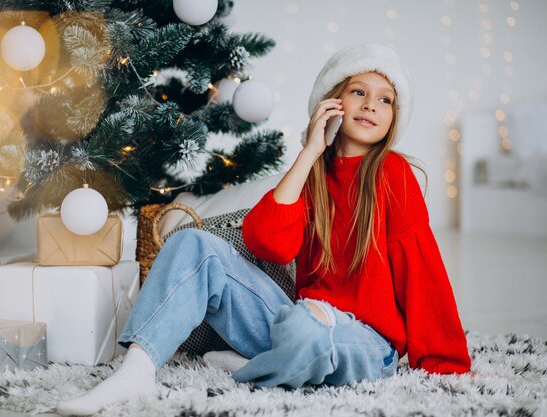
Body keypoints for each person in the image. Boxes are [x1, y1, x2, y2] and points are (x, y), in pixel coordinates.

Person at [56, 43, 472, 416]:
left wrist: (446, 363)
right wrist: (310, 152)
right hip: (295, 321)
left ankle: (254, 370)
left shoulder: (393, 174)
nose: (370, 105)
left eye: (385, 100)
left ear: (394, 118)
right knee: (193, 243)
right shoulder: (311, 174)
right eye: (358, 92)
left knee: (309, 331)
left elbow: (421, 269)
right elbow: (267, 243)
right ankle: (136, 374)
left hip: (364, 344)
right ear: (333, 102)